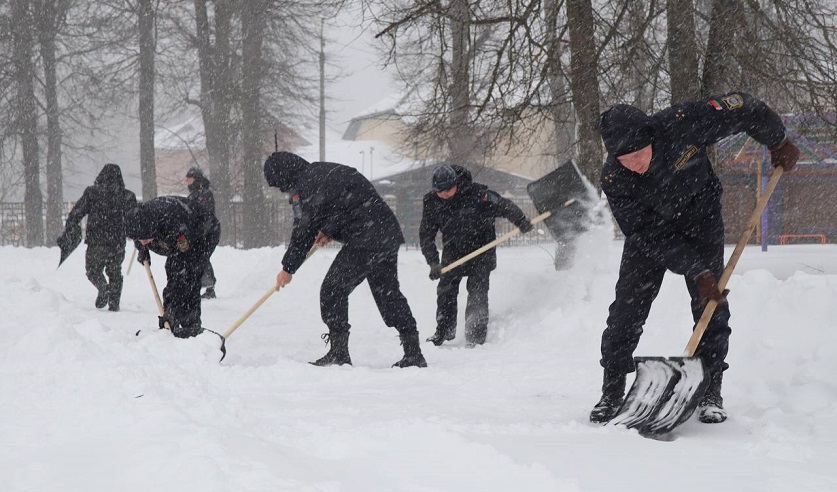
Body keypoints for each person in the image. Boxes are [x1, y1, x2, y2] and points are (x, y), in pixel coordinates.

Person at [591, 92, 800, 425]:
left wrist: (777, 140)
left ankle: (710, 389)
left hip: (701, 222)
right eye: (625, 159)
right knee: (625, 312)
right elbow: (645, 234)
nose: (635, 164)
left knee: (710, 306)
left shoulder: (682, 124)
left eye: (639, 154)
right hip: (651, 236)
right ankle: (612, 390)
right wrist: (695, 268)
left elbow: (744, 107)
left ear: (651, 138)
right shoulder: (615, 178)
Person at [263, 151, 427, 368]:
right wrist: (330, 229)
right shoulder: (322, 171)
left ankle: (339, 353)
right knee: (388, 294)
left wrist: (288, 268)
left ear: (284, 176)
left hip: (366, 239)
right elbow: (348, 204)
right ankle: (413, 352)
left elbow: (303, 230)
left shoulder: (306, 186)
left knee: (333, 289)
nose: (283, 190)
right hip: (385, 233)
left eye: (279, 184)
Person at [420, 164, 533, 346]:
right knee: (446, 290)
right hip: (453, 251)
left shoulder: (479, 195)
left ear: (456, 183)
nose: (443, 195)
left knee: (477, 292)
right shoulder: (432, 202)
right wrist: (433, 263)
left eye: (447, 190)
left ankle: (475, 335)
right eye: (439, 191)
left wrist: (521, 221)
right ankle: (444, 330)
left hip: (482, 251)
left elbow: (504, 206)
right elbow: (426, 235)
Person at [126, 196, 220, 338]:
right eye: (140, 238)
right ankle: (173, 321)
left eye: (146, 237)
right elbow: (140, 236)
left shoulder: (174, 221)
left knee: (187, 275)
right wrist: (143, 250)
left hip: (204, 234)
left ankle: (190, 325)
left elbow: (183, 255)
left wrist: (172, 307)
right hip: (181, 234)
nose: (143, 241)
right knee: (176, 273)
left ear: (152, 228)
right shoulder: (140, 220)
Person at [59, 163, 137, 311]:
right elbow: (134, 219)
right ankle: (114, 303)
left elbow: (77, 212)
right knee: (115, 272)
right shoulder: (127, 196)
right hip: (117, 242)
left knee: (92, 271)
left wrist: (71, 225)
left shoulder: (92, 193)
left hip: (97, 241)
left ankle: (103, 288)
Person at [185, 166, 217, 299]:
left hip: (205, 232)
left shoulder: (204, 194)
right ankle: (201, 285)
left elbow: (206, 214)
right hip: (196, 231)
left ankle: (209, 287)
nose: (186, 181)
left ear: (195, 179)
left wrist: (202, 230)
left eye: (189, 178)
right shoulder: (193, 194)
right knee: (198, 258)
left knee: (202, 258)